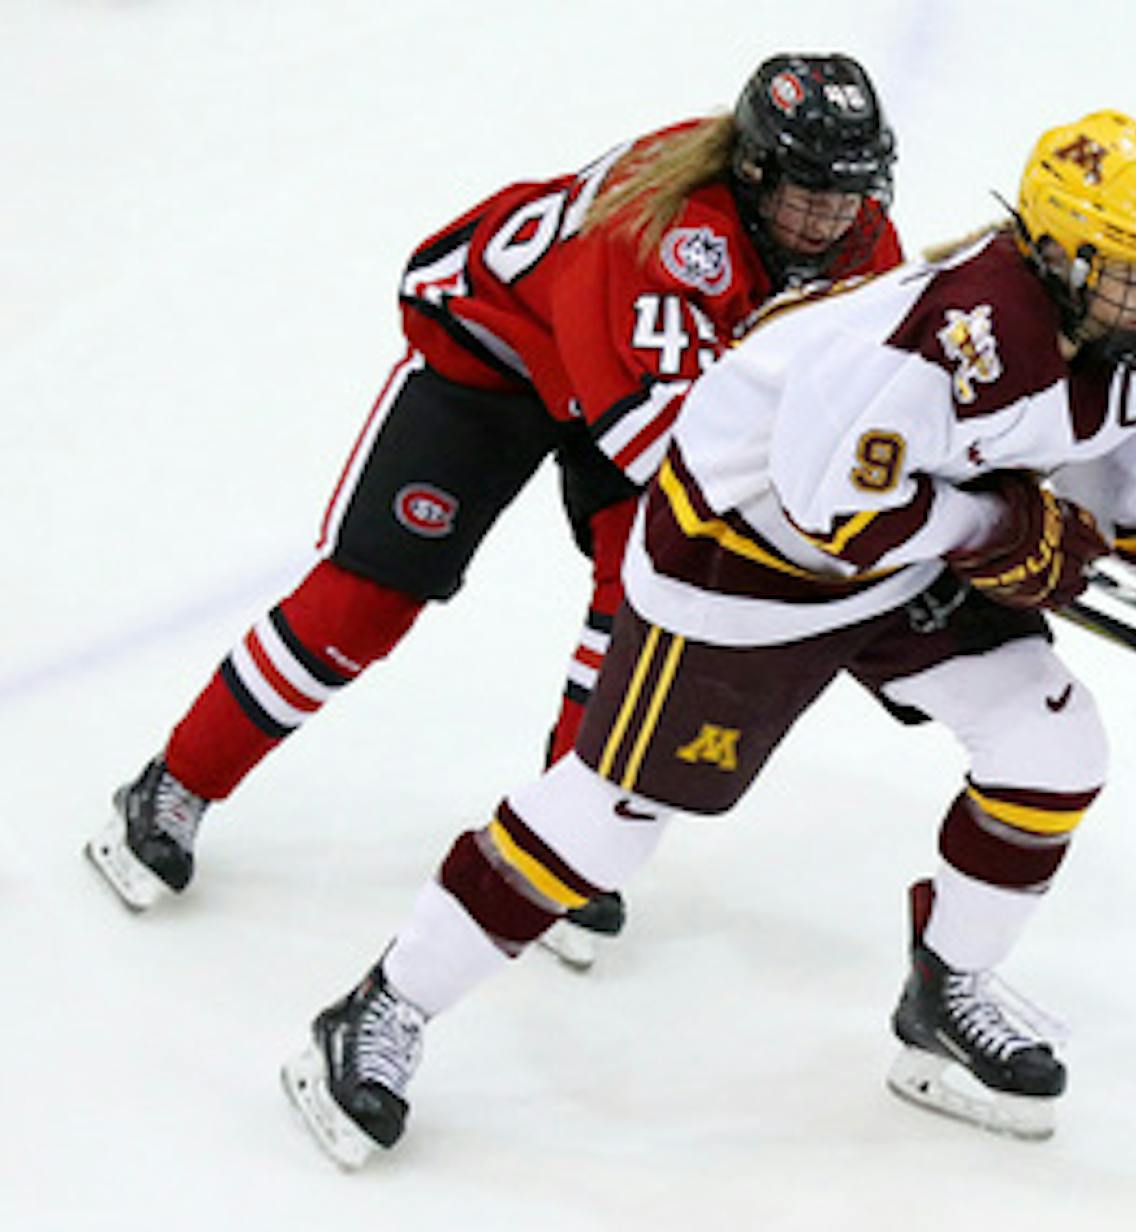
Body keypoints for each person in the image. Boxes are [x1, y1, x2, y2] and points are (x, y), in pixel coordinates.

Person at [280, 108, 1136, 1166]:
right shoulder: (949, 336)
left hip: (911, 542)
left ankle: (945, 993)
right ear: (1054, 252)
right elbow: (829, 511)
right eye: (1135, 268)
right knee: (612, 819)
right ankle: (383, 1005)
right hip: (741, 554)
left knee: (1053, 743)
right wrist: (996, 525)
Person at [85, 53, 904, 967]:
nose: (832, 220)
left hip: (651, 388)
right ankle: (176, 782)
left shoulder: (861, 237)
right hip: (500, 357)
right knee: (369, 598)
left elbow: (876, 389)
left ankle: (553, 849)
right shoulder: (655, 229)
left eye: (849, 197)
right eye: (810, 196)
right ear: (752, 170)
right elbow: (655, 449)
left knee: (643, 599)